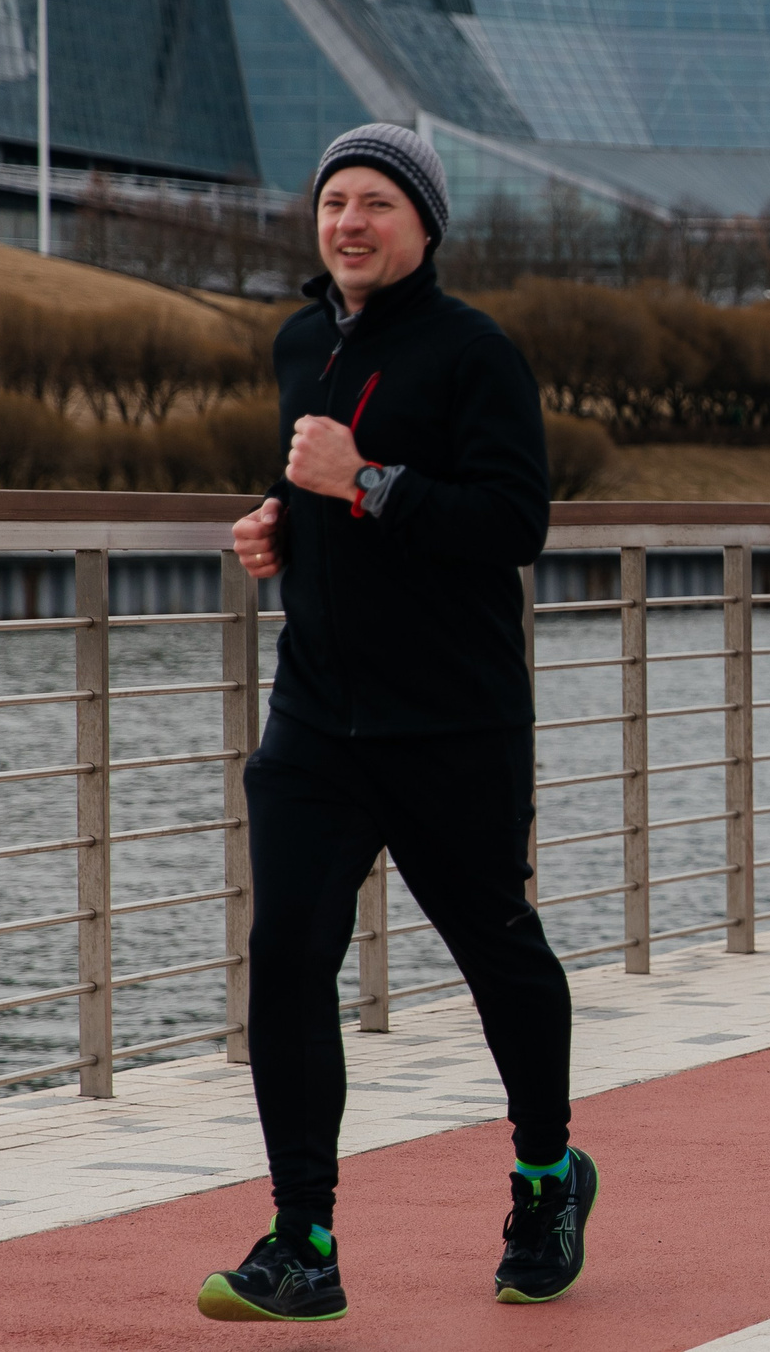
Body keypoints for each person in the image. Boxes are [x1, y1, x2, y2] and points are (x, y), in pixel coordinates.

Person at [207, 125, 593, 1322]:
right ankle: (302, 1240)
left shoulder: (477, 353)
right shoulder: (299, 340)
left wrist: (360, 484)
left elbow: (511, 522)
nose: (350, 223)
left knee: (495, 951)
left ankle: (545, 1179)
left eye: (377, 202)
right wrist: (277, 519)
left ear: (423, 223)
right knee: (286, 964)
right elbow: (316, 477)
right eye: (333, 202)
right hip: (318, 719)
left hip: (451, 722)